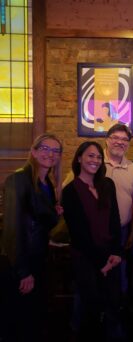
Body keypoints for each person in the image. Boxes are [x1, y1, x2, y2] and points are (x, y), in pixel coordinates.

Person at [2, 133, 63, 341]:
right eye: (45, 148)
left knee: (34, 318)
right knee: (19, 321)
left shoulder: (47, 183)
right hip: (22, 261)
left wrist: (54, 212)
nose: (50, 154)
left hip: (39, 257)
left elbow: (40, 216)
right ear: (34, 151)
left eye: (56, 150)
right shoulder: (18, 180)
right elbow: (12, 228)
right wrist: (23, 271)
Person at [62, 141, 122, 341]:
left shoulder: (107, 185)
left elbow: (115, 221)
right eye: (90, 155)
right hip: (86, 258)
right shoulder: (70, 191)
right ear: (79, 158)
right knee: (91, 307)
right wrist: (101, 262)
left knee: (114, 303)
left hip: (111, 257)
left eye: (98, 157)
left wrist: (116, 253)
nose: (95, 160)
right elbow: (78, 234)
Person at [104, 123, 133, 297]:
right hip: (98, 231)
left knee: (121, 272)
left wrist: (132, 233)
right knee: (96, 271)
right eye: (116, 138)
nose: (120, 142)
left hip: (122, 230)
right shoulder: (94, 162)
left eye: (125, 139)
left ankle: (118, 310)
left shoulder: (132, 168)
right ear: (107, 140)